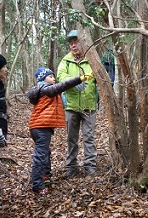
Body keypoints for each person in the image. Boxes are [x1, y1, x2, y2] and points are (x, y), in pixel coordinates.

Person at [28, 67, 92, 194]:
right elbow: (63, 85)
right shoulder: (46, 89)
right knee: (40, 155)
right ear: (42, 78)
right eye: (50, 77)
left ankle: (45, 177)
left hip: (41, 127)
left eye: (53, 76)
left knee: (45, 153)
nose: (54, 78)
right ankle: (37, 184)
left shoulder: (45, 91)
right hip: (41, 126)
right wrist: (79, 79)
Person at [57, 30, 99, 179]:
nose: (73, 45)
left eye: (76, 42)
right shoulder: (65, 60)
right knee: (71, 138)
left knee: (89, 137)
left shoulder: (91, 59)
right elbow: (60, 76)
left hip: (89, 105)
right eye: (71, 43)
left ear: (83, 42)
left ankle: (90, 167)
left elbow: (99, 77)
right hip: (71, 105)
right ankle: (72, 167)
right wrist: (75, 81)